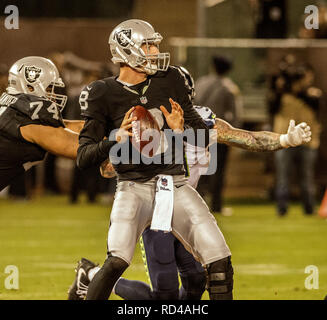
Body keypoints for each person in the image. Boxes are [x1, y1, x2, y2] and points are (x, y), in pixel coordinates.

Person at [74, 19, 312, 301]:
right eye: (148, 45)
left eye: (155, 44)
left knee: (219, 260)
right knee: (118, 261)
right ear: (126, 50)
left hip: (174, 185)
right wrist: (116, 140)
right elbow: (84, 157)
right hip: (133, 187)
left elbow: (202, 134)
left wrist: (179, 129)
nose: (154, 51)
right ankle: (89, 277)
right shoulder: (102, 92)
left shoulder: (170, 79)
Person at [0, 56, 84, 192]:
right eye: (49, 88)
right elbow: (75, 146)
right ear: (30, 87)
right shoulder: (27, 121)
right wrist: (118, 139)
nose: (51, 94)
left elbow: (66, 127)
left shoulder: (15, 109)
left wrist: (110, 126)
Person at [272, 65, 322, 216]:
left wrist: (298, 88)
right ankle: (282, 208)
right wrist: (281, 88)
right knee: (282, 177)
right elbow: (272, 107)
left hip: (307, 141)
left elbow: (315, 104)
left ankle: (309, 208)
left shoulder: (312, 94)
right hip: (283, 140)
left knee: (307, 177)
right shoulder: (282, 95)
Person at [194, 55, 238, 214]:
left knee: (199, 171)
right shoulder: (228, 87)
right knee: (218, 172)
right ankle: (217, 206)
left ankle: (199, 205)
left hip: (197, 134)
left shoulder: (199, 83)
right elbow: (234, 115)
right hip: (217, 135)